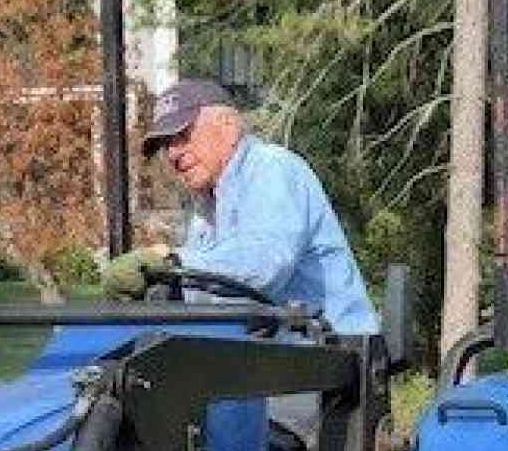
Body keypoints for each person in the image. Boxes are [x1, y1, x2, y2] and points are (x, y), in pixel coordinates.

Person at [103, 79, 379, 336]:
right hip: (277, 359)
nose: (173, 153)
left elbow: (262, 264)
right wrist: (156, 287)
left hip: (334, 359)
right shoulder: (207, 205)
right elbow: (210, 293)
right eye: (167, 144)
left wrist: (170, 262)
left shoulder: (272, 168)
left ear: (227, 125)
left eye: (183, 135)